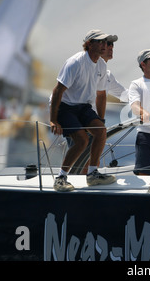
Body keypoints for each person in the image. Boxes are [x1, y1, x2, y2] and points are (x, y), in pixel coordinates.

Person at [50, 29, 118, 192]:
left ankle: (93, 174)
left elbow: (101, 95)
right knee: (82, 140)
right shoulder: (75, 62)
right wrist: (54, 120)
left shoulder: (101, 65)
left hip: (83, 107)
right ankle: (61, 178)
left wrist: (100, 120)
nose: (104, 45)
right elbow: (58, 91)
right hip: (65, 107)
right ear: (88, 44)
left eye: (105, 42)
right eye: (100, 42)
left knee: (101, 132)